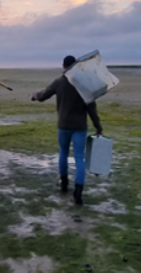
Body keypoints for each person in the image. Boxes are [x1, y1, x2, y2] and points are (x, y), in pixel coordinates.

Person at [32, 55, 103, 205]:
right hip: (80, 127)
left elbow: (44, 95)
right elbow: (92, 109)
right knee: (79, 157)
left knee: (63, 153)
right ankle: (78, 193)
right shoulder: (84, 84)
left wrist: (35, 96)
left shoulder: (59, 82)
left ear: (63, 66)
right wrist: (98, 127)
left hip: (63, 126)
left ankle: (64, 183)